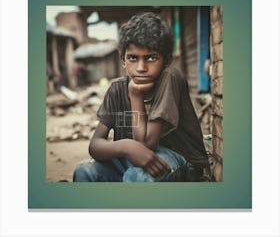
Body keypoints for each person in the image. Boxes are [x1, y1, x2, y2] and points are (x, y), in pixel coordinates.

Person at [73, 12, 210, 182]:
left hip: (178, 159)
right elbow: (95, 146)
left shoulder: (170, 78)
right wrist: (126, 146)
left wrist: (135, 95)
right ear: (123, 59)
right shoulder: (116, 89)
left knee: (138, 176)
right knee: (84, 172)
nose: (141, 67)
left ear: (167, 60)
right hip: (132, 159)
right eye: (132, 58)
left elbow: (146, 143)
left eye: (151, 58)